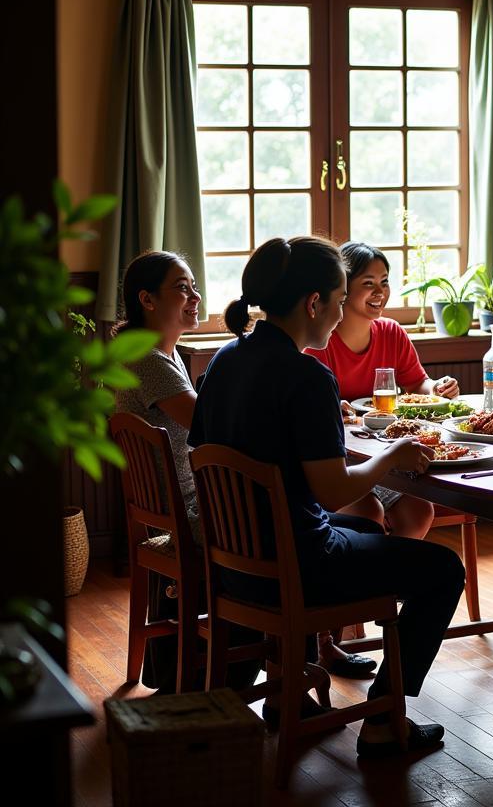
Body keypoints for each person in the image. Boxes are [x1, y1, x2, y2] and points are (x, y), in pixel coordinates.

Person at [188, 236, 465, 755]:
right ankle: (384, 723)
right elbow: (334, 491)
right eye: (339, 300)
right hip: (297, 564)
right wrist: (392, 457)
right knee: (444, 571)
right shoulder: (308, 376)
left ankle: (287, 688)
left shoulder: (225, 360)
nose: (341, 314)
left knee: (365, 526)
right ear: (313, 302)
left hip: (236, 563)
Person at [113, 251, 264, 692]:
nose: (195, 297)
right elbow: (212, 425)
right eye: (182, 288)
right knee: (285, 519)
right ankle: (279, 665)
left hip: (176, 506)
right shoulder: (148, 361)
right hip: (190, 513)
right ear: (147, 299)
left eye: (194, 286)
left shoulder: (158, 354)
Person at [307, 241, 459, 540]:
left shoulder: (391, 332)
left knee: (419, 511)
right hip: (340, 459)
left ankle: (395, 583)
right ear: (343, 288)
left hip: (384, 452)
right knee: (368, 514)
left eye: (384, 282)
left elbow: (419, 384)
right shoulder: (320, 342)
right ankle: (373, 582)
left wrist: (437, 388)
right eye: (368, 283)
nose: (380, 292)